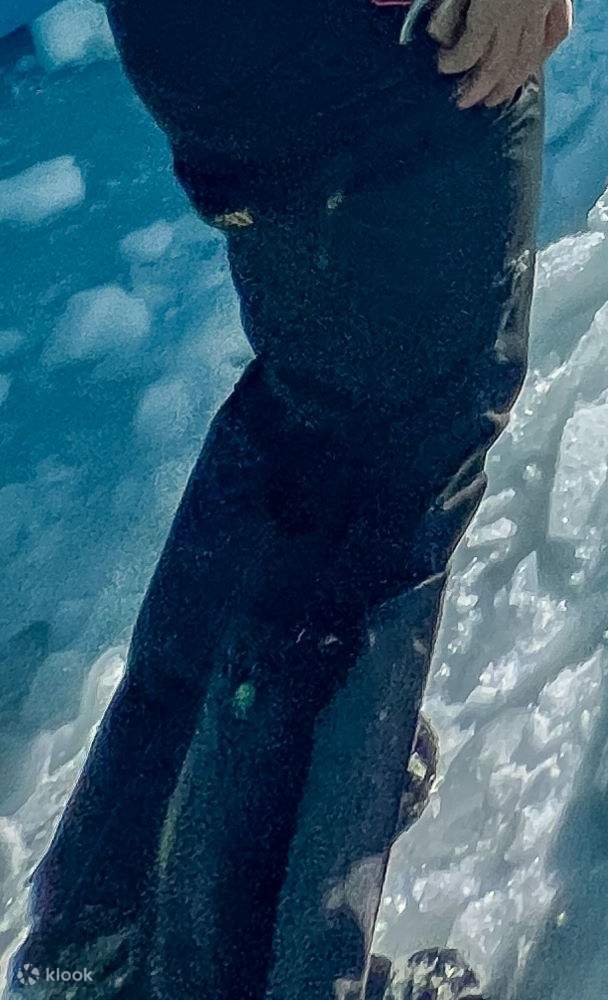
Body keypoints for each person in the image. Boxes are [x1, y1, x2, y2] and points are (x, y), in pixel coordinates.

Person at [7, 0, 567, 994]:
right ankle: (247, 966)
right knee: (386, 463)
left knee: (319, 414)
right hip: (370, 52)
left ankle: (114, 904)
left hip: (231, 45)